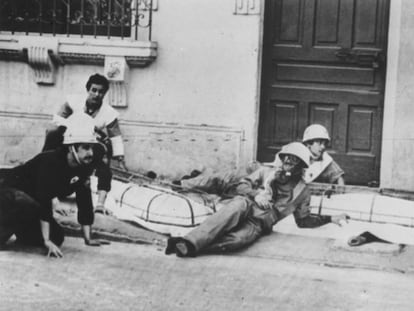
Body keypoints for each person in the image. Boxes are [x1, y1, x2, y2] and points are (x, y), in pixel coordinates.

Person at [165, 142, 349, 257]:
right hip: (247, 204)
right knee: (232, 211)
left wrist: (331, 218)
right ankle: (190, 240)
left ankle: (191, 247)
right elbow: (242, 186)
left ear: (301, 166)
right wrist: (257, 194)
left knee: (238, 240)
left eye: (294, 162)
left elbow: (303, 220)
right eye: (286, 159)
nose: (288, 164)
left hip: (260, 223)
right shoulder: (266, 172)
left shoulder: (303, 191)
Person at [0, 113, 110, 257]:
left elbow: (84, 199)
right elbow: (44, 199)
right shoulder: (51, 162)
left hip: (32, 205)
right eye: (86, 147)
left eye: (92, 148)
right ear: (72, 148)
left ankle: (18, 227)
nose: (90, 153)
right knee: (25, 202)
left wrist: (88, 238)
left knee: (57, 237)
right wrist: (46, 241)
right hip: (8, 195)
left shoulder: (83, 165)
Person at [42, 73, 126, 213]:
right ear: (88, 90)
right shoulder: (73, 102)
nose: (97, 94)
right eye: (94, 90)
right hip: (71, 137)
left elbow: (115, 137)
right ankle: (44, 173)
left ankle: (100, 203)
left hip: (90, 141)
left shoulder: (108, 112)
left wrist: (120, 157)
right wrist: (75, 125)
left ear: (105, 94)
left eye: (101, 92)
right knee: (52, 134)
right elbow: (57, 119)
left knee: (103, 155)